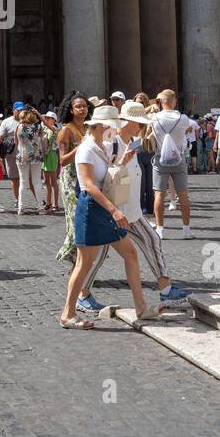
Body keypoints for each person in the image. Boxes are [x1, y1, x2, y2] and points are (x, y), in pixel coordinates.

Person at [58, 104, 160, 329]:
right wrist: (114, 210)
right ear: (102, 125)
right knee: (84, 263)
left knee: (130, 254)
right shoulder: (86, 149)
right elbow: (89, 186)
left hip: (104, 208)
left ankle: (141, 306)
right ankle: (68, 313)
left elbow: (107, 176)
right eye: (112, 126)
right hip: (93, 209)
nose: (114, 130)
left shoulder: (99, 146)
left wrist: (121, 162)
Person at [81, 102, 192, 306]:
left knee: (148, 241)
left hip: (129, 209)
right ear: (128, 122)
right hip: (117, 209)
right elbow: (102, 177)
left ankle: (164, 288)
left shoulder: (130, 142)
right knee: (99, 254)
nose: (142, 127)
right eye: (139, 123)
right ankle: (82, 295)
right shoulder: (110, 144)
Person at [148, 89, 193, 239]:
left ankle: (160, 229)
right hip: (178, 159)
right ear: (174, 101)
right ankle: (186, 229)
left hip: (160, 159)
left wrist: (152, 107)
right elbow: (185, 131)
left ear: (160, 101)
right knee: (183, 194)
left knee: (159, 194)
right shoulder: (183, 118)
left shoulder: (154, 118)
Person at [55, 92, 90, 267]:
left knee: (86, 219)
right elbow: (62, 160)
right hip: (70, 180)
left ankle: (83, 261)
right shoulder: (65, 130)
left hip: (86, 178)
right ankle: (76, 261)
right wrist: (81, 147)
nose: (82, 109)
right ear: (71, 109)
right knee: (76, 220)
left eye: (84, 105)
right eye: (78, 106)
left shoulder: (88, 127)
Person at [14, 105, 46, 215]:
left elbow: (16, 142)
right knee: (37, 181)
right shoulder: (38, 127)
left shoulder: (19, 127)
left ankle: (21, 207)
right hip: (36, 155)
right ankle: (40, 207)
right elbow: (43, 140)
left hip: (22, 155)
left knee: (23, 182)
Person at [0, 102, 22, 209]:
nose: (20, 112)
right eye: (18, 110)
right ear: (13, 110)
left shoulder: (27, 121)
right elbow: (0, 137)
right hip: (11, 154)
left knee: (26, 179)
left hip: (24, 155)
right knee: (14, 178)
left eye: (22, 110)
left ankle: (29, 199)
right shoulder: (6, 122)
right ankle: (17, 199)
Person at [40, 110, 60, 213]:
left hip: (52, 155)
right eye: (46, 118)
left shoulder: (55, 129)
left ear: (54, 120)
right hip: (45, 156)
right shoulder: (43, 128)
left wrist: (39, 114)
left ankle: (56, 204)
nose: (47, 119)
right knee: (46, 181)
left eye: (49, 118)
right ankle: (48, 203)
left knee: (53, 182)